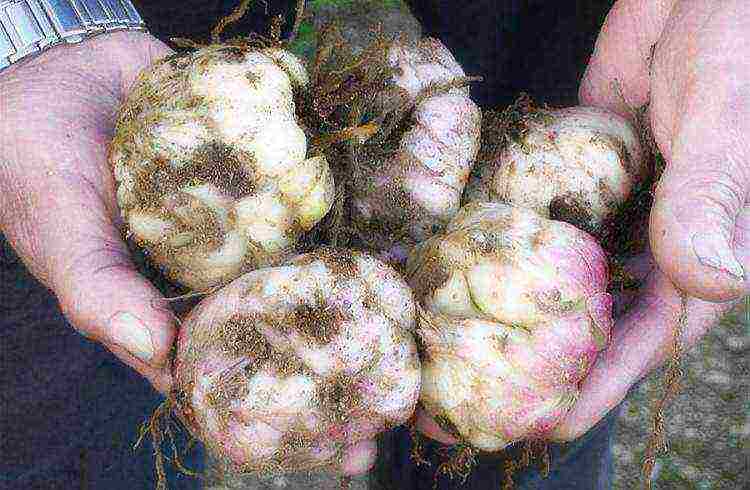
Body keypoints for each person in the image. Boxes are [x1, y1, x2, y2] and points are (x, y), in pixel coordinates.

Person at [1, 1, 746, 488]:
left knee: (523, 446)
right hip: (94, 62)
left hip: (579, 47)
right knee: (73, 436)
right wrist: (25, 32)